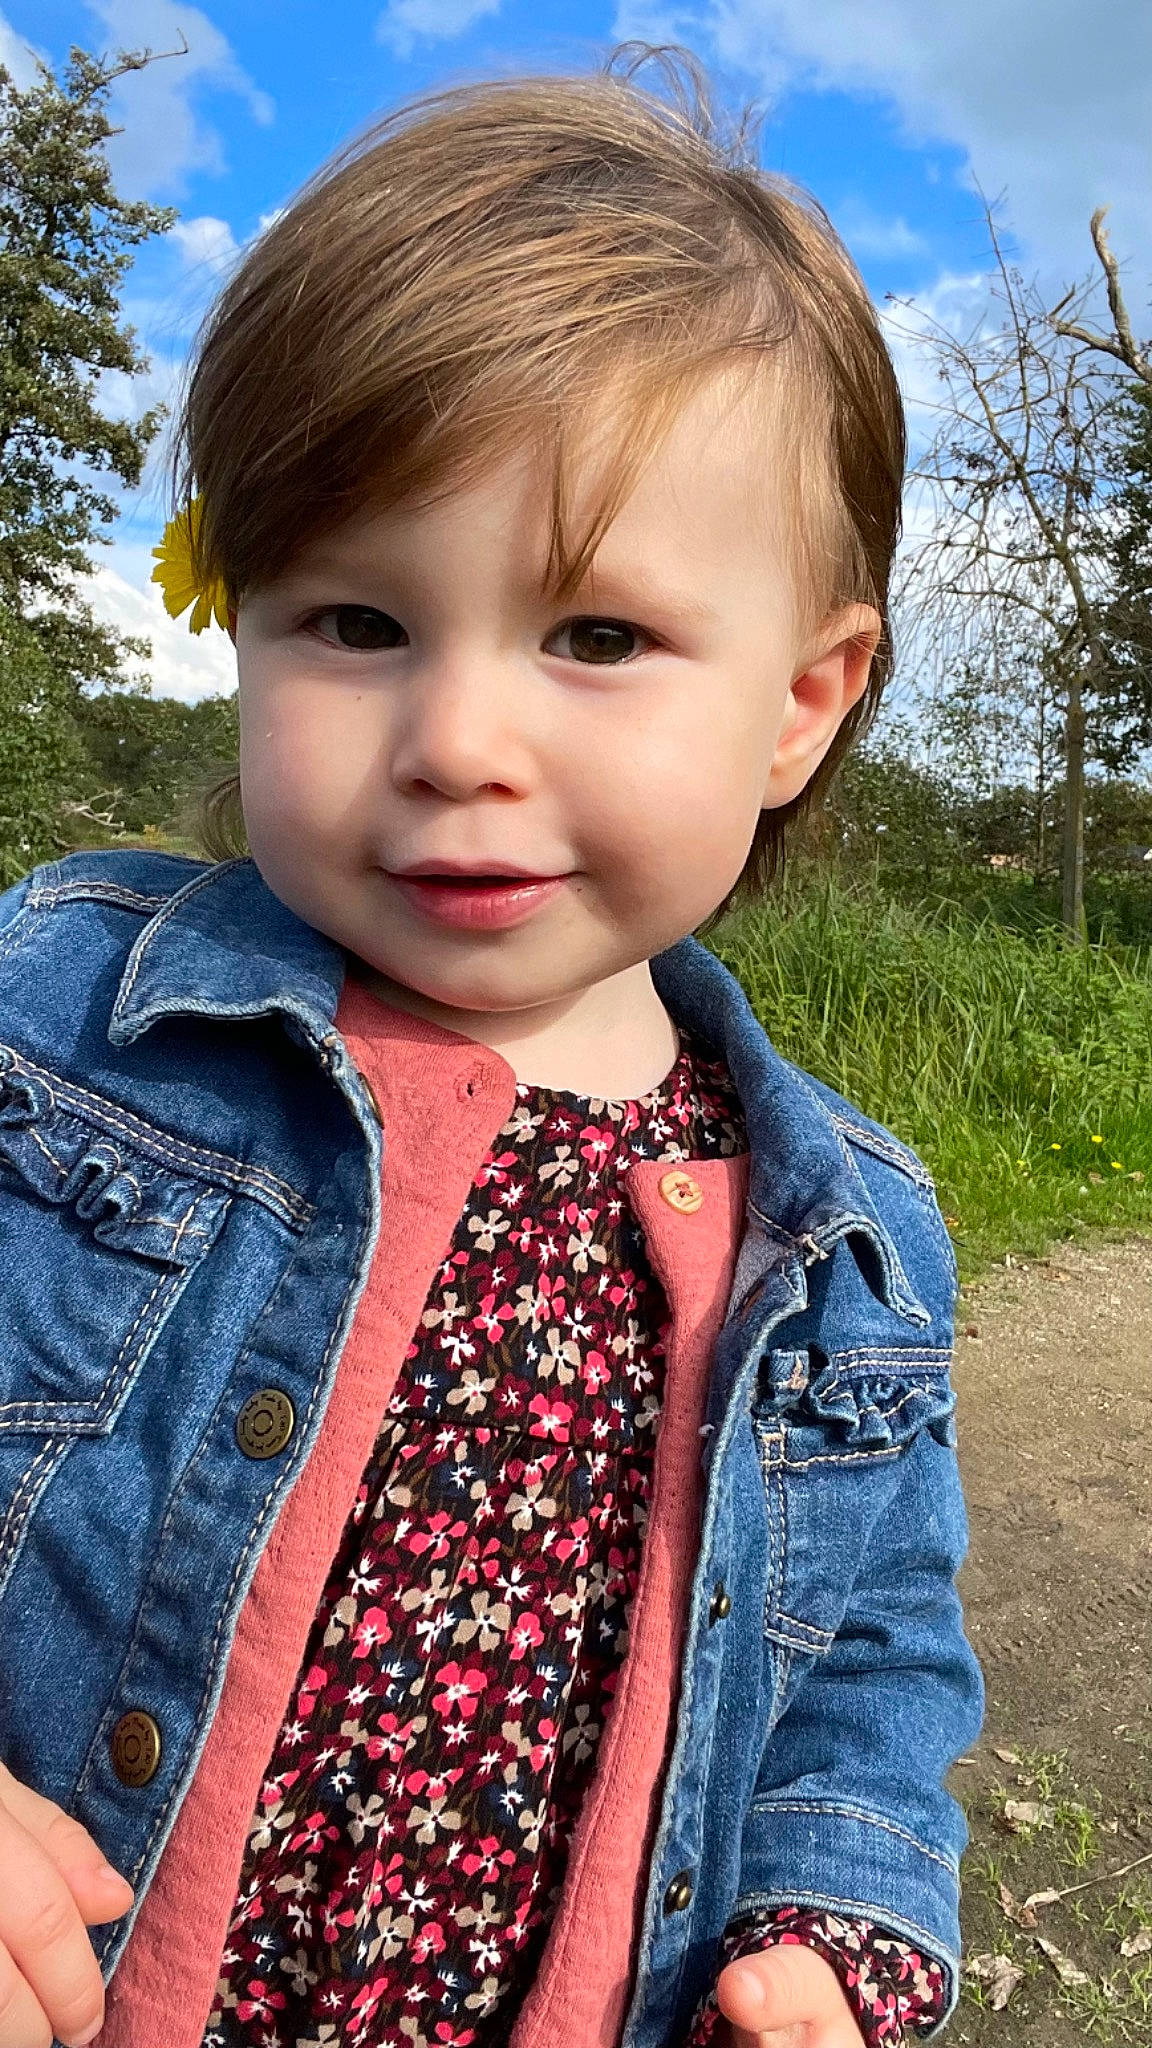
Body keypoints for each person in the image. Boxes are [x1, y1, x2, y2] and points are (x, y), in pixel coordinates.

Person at [0, 43, 983, 2048]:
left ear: (804, 698)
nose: (457, 738)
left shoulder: (851, 1240)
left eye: (597, 638)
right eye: (355, 624)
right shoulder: (65, 1020)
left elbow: (872, 1664)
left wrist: (833, 1937)